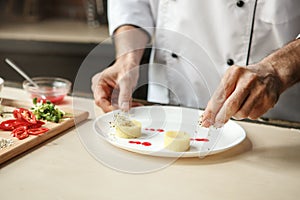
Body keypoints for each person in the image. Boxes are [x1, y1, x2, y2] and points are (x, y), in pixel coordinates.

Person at [92, 0, 300, 127]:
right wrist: (126, 60)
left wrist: (276, 70)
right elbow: (132, 3)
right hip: (166, 110)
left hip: (275, 120)